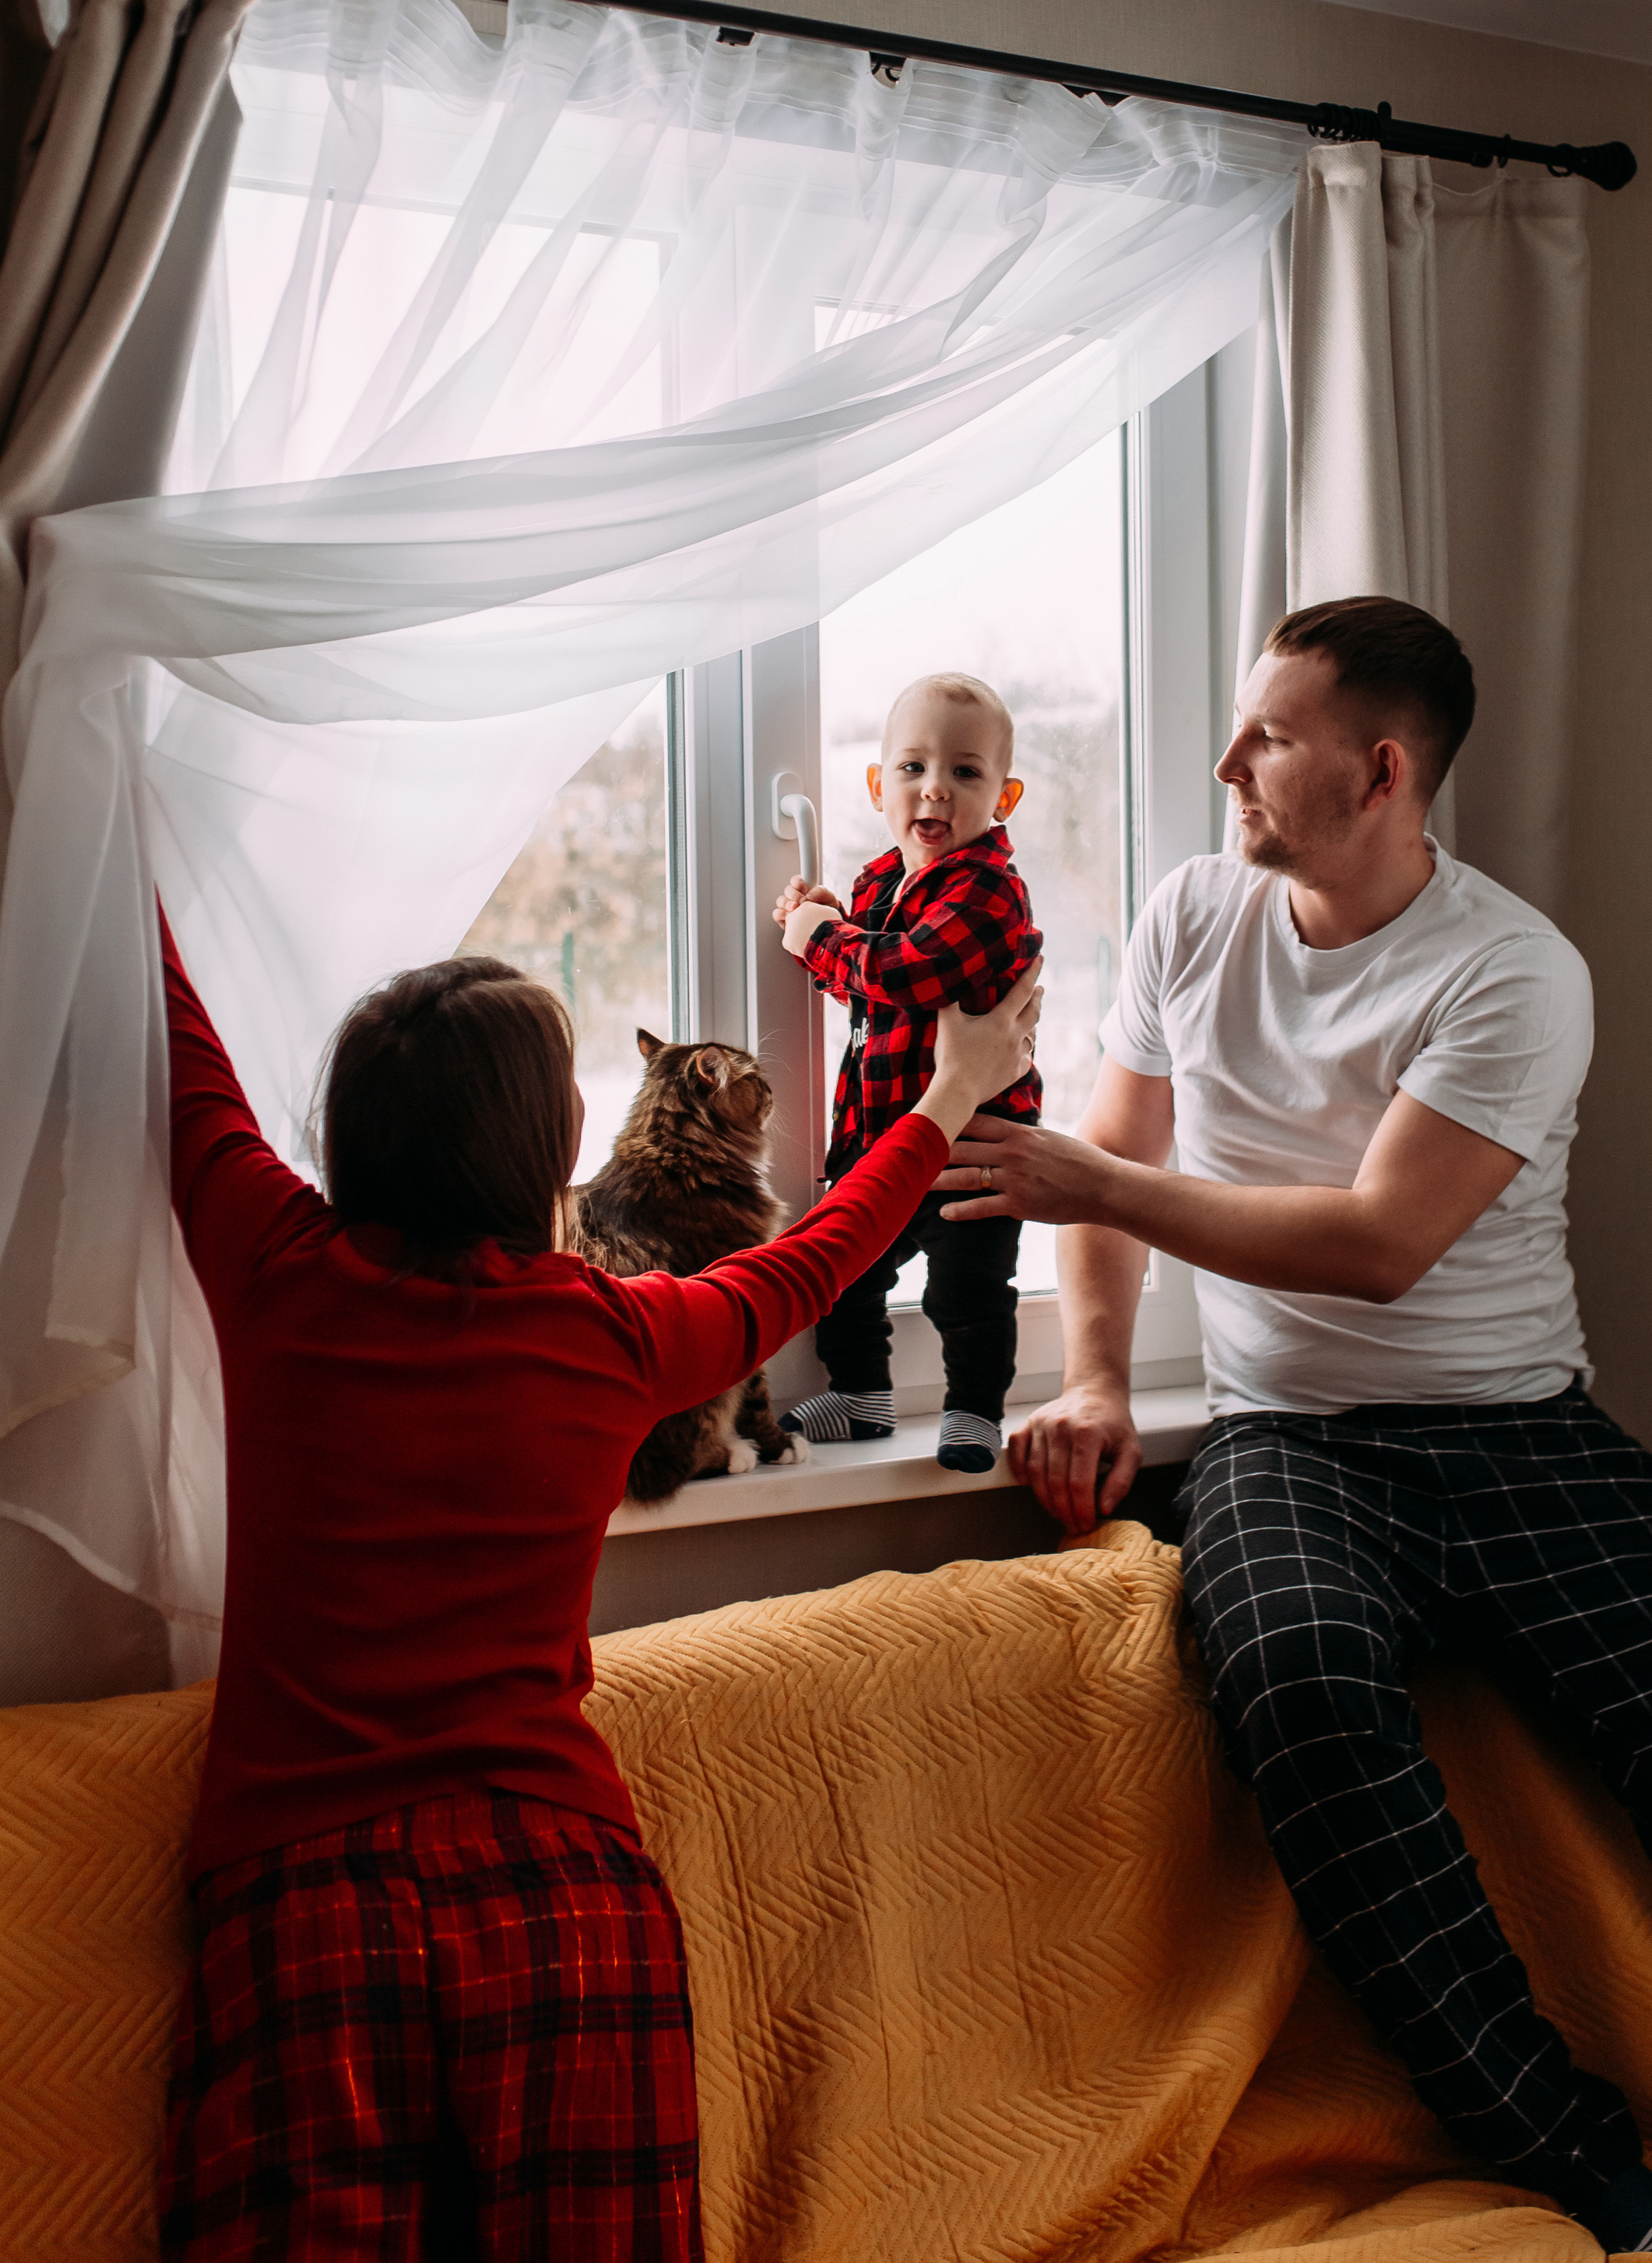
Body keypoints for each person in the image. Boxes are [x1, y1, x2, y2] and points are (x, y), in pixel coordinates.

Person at [942, 595, 1652, 2263]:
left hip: (1520, 1435)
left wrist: (1099, 1182)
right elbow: (1122, 1163)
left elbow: (1377, 1242)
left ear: (1379, 773)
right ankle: (1573, 2157)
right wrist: (1092, 1381)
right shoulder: (1191, 917)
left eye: (1269, 737)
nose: (1227, 763)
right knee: (1297, 1688)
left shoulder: (1513, 970)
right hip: (1289, 1441)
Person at [155, 905, 1040, 2260]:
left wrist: (95, 823)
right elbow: (821, 1255)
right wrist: (950, 1092)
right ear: (548, 1152)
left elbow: (185, 1060)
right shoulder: (610, 1335)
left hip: (305, 1888)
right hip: (560, 1894)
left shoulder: (277, 1271)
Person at [773, 670, 1041, 1473]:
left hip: (970, 1144)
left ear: (1004, 797)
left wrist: (823, 938)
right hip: (878, 1138)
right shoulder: (881, 882)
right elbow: (859, 983)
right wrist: (822, 924)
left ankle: (973, 1412)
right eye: (913, 768)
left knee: (968, 1292)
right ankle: (861, 1395)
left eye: (965, 772)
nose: (935, 789)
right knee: (840, 1268)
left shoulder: (990, 889)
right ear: (876, 786)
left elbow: (909, 972)